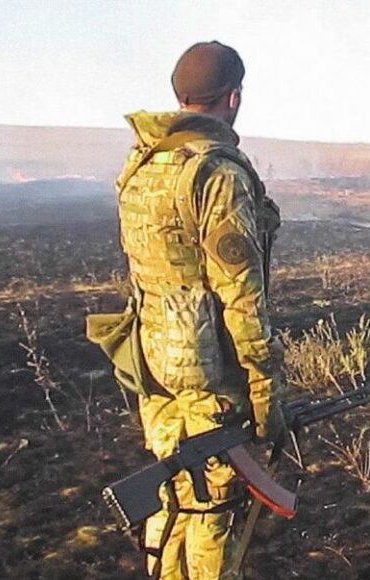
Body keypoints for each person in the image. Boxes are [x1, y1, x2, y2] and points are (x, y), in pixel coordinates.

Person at [116, 41, 284, 579]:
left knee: (171, 486)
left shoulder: (144, 164)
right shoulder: (216, 173)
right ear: (233, 97)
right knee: (216, 503)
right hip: (211, 369)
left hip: (152, 358)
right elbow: (242, 296)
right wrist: (265, 391)